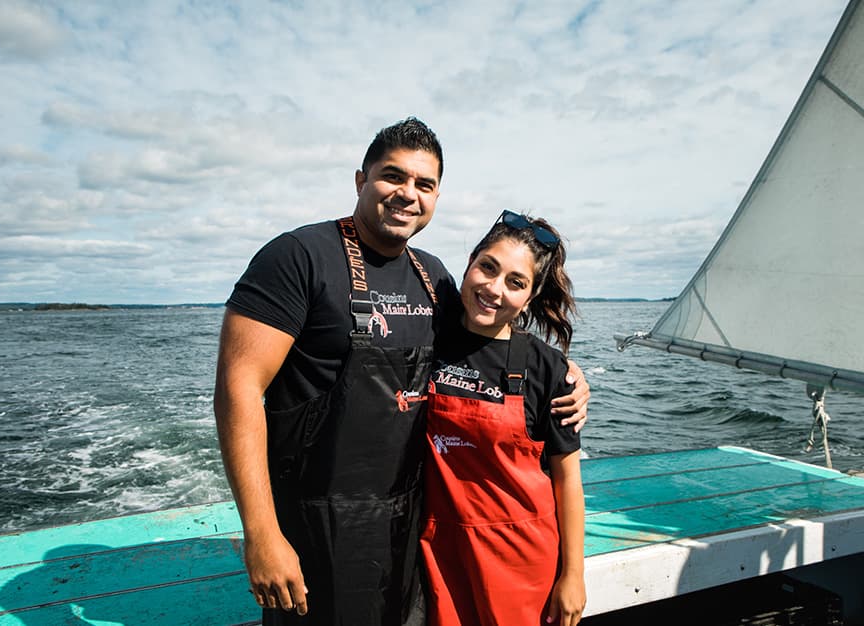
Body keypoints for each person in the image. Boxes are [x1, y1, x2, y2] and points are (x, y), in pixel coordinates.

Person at [213, 118, 589, 626]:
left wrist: (566, 375)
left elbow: (490, 344)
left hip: (409, 535)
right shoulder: (298, 257)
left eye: (424, 184)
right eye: (394, 176)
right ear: (360, 180)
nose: (407, 194)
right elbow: (238, 390)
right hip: (314, 529)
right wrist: (261, 534)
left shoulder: (432, 276)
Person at [420, 211, 586, 626]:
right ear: (469, 263)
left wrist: (573, 575)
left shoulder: (548, 368)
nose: (493, 289)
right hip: (438, 549)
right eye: (487, 267)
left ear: (529, 298)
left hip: (521, 560)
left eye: (516, 282)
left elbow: (567, 481)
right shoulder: (425, 338)